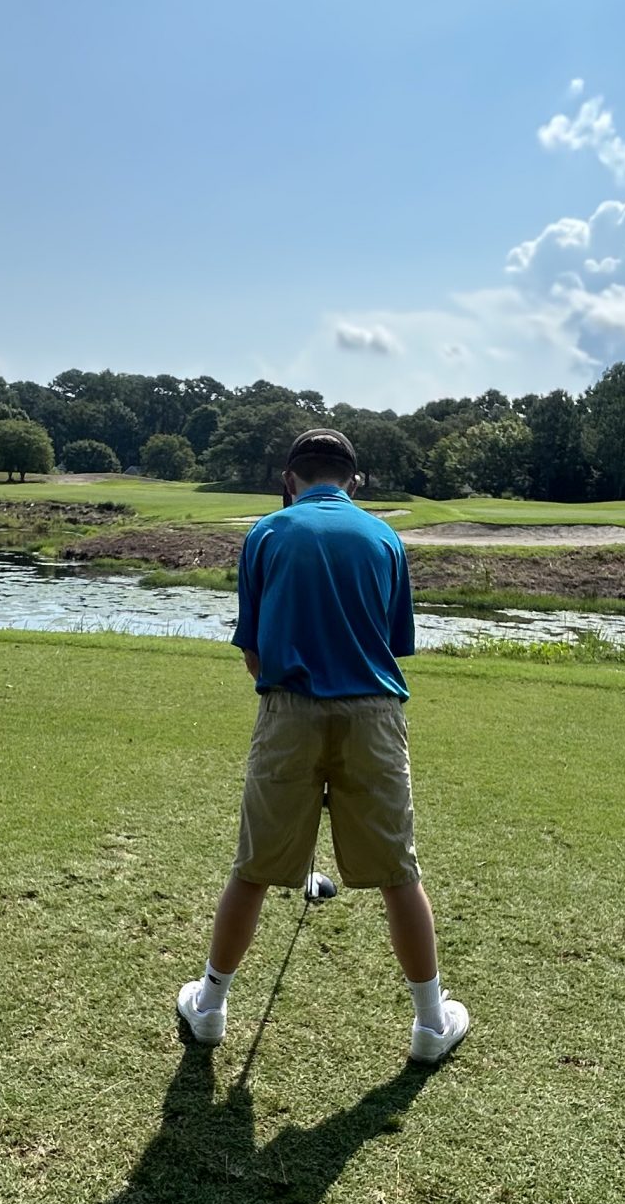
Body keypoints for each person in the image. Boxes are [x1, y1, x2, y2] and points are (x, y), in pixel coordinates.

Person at [177, 428, 469, 1063]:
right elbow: (393, 645)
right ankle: (428, 1024)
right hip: (374, 716)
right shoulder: (385, 537)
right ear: (353, 481)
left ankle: (210, 1006)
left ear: (290, 480)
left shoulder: (266, 534)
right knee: (398, 872)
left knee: (253, 869)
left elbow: (253, 652)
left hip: (287, 712)